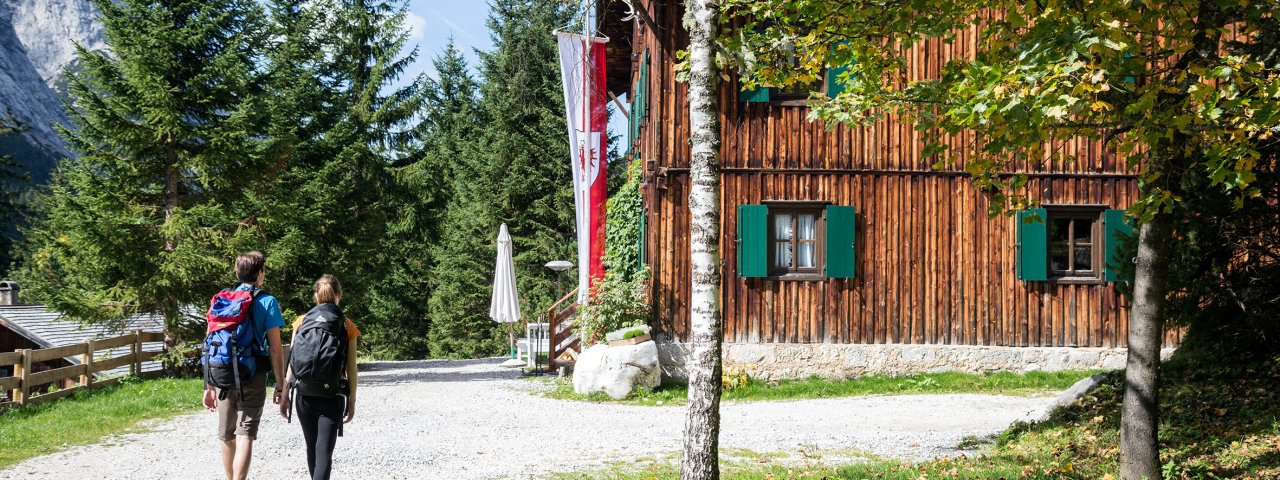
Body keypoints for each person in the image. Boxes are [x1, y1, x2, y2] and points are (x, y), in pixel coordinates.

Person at [203, 251, 287, 480]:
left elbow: (210, 344)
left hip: (221, 375)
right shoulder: (268, 301)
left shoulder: (221, 299)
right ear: (260, 273)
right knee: (245, 434)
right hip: (253, 374)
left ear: (237, 272)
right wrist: (281, 384)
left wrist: (207, 386)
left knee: (226, 435)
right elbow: (275, 347)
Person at [281, 274, 360, 480]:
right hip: (331, 395)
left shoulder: (301, 322)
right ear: (338, 295)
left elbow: (293, 361)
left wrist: (285, 391)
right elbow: (351, 369)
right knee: (324, 452)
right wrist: (351, 400)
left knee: (312, 448)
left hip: (304, 395)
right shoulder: (346, 324)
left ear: (316, 296)